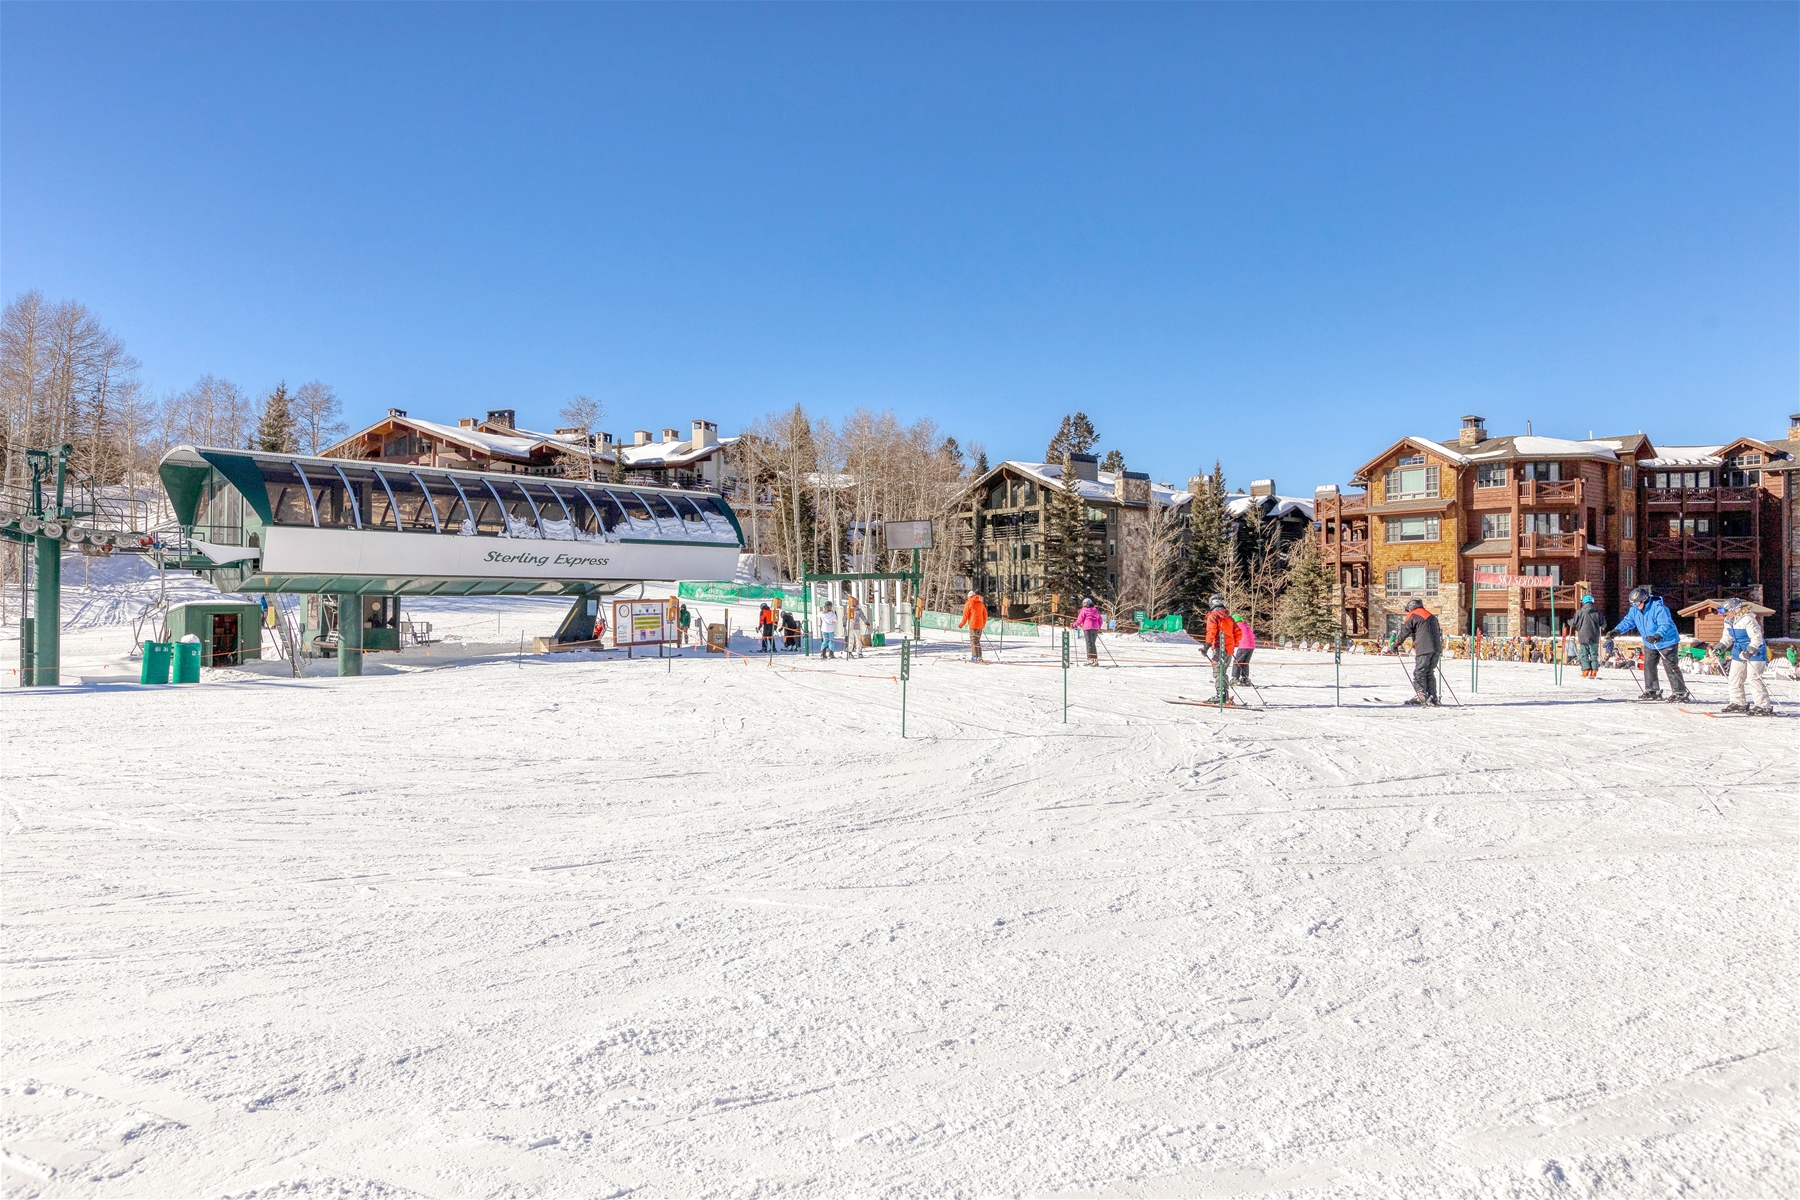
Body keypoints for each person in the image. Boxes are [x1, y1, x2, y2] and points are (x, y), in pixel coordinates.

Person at [1612, 586, 1689, 702]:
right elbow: (1628, 621)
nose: (1636, 606)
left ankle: (1680, 692)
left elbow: (1665, 624)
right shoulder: (1635, 609)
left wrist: (1657, 636)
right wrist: (1616, 631)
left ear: (1645, 600)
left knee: (1670, 666)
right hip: (1650, 643)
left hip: (1666, 641)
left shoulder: (1659, 608)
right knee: (1649, 666)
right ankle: (1652, 691)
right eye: (1633, 604)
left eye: (1638, 603)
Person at [1714, 598, 1771, 715]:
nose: (1724, 613)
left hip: (1755, 652)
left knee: (1753, 678)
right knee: (1734, 678)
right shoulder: (1728, 621)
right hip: (1738, 651)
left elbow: (1757, 638)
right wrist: (1720, 647)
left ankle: (1763, 705)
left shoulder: (1748, 620)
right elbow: (1727, 638)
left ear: (1735, 609)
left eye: (1726, 611)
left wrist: (1750, 651)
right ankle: (1738, 703)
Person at [1389, 598, 1442, 706]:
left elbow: (1405, 631)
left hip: (1424, 648)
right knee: (1429, 672)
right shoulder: (1432, 616)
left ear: (1411, 607)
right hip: (1436, 648)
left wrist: (1396, 644)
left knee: (1419, 672)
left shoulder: (1413, 614)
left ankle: (1421, 696)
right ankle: (1433, 696)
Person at [1202, 594, 1239, 702]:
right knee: (1223, 670)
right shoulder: (1229, 617)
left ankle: (1221, 694)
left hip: (1219, 647)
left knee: (1218, 670)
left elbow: (1211, 632)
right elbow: (1237, 632)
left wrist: (1206, 646)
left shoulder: (1213, 616)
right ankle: (1224, 694)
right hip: (1229, 648)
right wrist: (1233, 644)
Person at [1569, 594, 1605, 678]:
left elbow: (1573, 623)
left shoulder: (1579, 612)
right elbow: (1603, 624)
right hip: (1594, 637)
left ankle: (1585, 671)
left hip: (1583, 637)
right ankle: (1594, 671)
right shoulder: (1597, 613)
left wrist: (1569, 622)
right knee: (1594, 655)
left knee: (1584, 654)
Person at [959, 589, 988, 662]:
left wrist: (961, 624)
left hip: (973, 625)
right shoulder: (980, 603)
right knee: (977, 640)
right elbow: (985, 615)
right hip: (980, 625)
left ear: (969, 597)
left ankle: (975, 656)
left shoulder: (968, 603)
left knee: (973, 641)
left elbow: (965, 616)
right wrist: (983, 623)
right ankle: (979, 656)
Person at [1075, 596, 1104, 665]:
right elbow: (1100, 620)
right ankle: (1095, 660)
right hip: (1095, 629)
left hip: (1088, 628)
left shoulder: (1084, 610)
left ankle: (1090, 659)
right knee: (1093, 644)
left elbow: (1080, 619)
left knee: (1089, 644)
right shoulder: (1096, 610)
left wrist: (1074, 625)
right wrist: (1098, 627)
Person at [1232, 615, 1256, 684]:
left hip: (1243, 646)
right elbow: (1253, 636)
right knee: (1245, 663)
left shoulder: (1237, 626)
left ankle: (1235, 678)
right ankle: (1245, 678)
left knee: (1237, 662)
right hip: (1251, 646)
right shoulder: (1247, 626)